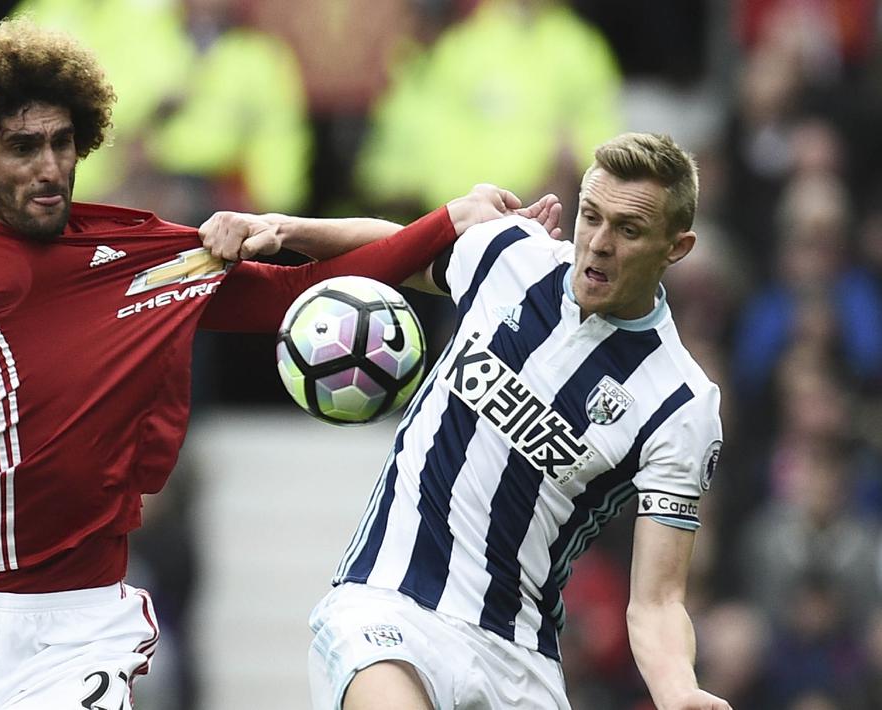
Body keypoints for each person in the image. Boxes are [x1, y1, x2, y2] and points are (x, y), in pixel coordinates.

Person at [0, 19, 560, 709]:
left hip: (73, 625)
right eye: (22, 147)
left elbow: (298, 294)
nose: (50, 167)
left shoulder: (138, 253)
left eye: (63, 142)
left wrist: (451, 223)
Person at [307, 133, 730, 710]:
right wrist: (283, 231)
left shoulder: (682, 404)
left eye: (627, 231)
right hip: (388, 603)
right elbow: (394, 249)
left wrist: (679, 690)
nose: (598, 244)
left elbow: (656, 601)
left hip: (516, 657)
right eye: (590, 217)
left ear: (675, 248)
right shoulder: (513, 256)